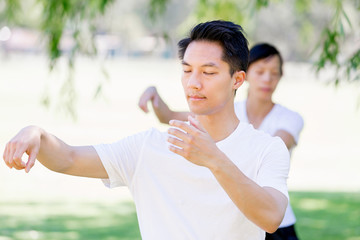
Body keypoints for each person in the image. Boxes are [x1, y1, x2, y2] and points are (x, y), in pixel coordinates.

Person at [3, 21, 290, 240]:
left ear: (237, 79)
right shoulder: (148, 147)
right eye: (187, 70)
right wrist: (37, 133)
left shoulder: (266, 149)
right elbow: (67, 158)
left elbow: (271, 217)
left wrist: (213, 159)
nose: (193, 83)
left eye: (209, 72)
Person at [138, 43, 304, 240]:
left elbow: (274, 147)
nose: (267, 79)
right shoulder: (224, 110)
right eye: (260, 71)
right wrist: (153, 93)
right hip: (233, 218)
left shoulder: (289, 119)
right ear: (244, 75)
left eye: (274, 73)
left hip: (276, 224)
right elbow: (169, 116)